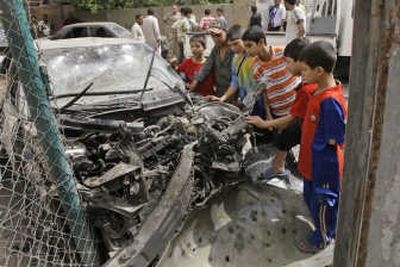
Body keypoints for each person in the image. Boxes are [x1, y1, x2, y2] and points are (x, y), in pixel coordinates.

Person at [296, 41, 347, 253]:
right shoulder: (316, 92)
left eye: (304, 71)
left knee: (324, 202)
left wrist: (319, 147)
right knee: (311, 197)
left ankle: (323, 238)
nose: (301, 75)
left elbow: (337, 138)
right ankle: (320, 226)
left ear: (319, 71)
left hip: (324, 164)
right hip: (312, 161)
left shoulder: (330, 101)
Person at [247, 37, 317, 179]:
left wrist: (264, 123)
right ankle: (278, 167)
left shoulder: (308, 89)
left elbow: (291, 119)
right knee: (285, 136)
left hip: (314, 140)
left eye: (289, 62)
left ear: (302, 62)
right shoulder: (308, 85)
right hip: (301, 126)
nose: (286, 66)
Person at [243, 26, 301, 126]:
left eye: (249, 46)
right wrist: (268, 115)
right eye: (246, 47)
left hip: (296, 108)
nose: (247, 50)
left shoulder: (283, 53)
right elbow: (264, 91)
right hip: (278, 114)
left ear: (261, 42)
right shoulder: (256, 67)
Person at [209, 24, 264, 118]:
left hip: (260, 102)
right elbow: (235, 82)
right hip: (245, 102)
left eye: (236, 43)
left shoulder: (256, 57)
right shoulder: (235, 60)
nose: (233, 48)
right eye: (230, 45)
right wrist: (223, 98)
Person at [189, 21, 234, 98]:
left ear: (226, 32)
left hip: (233, 90)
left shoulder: (234, 48)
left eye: (218, 35)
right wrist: (196, 81)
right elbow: (207, 65)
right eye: (213, 36)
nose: (215, 39)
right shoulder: (216, 49)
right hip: (220, 90)